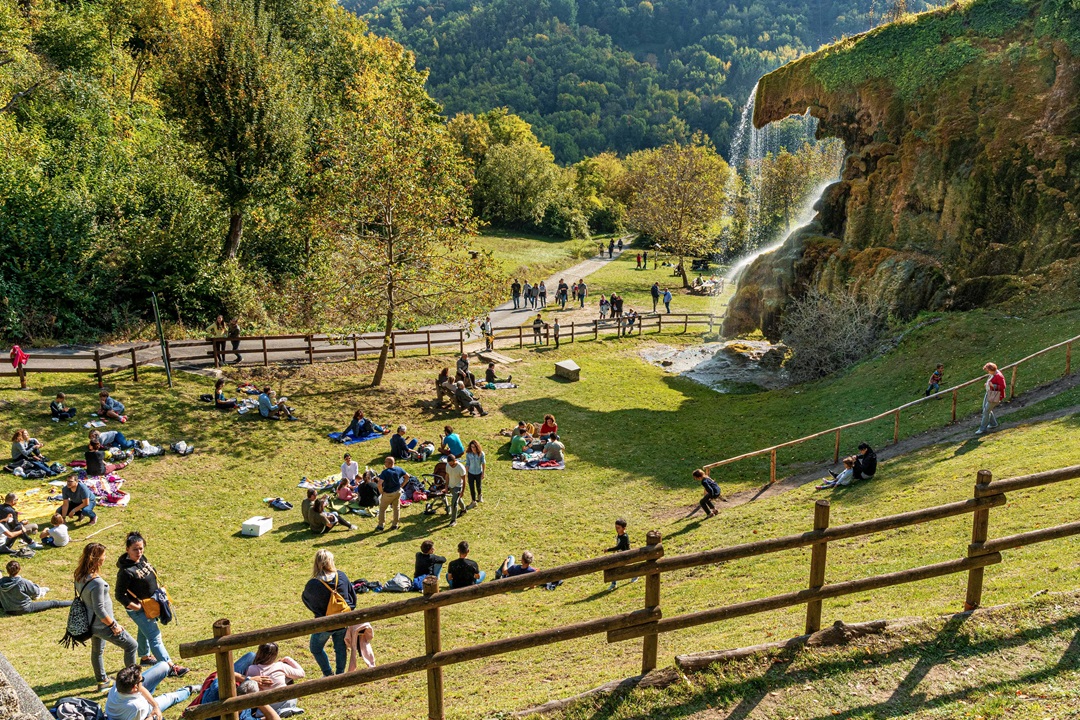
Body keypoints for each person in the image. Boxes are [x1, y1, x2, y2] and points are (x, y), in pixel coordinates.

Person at [115, 531, 188, 676]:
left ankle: (145, 656)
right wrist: (137, 607)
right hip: (140, 608)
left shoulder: (142, 560)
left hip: (152, 604)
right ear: (127, 550)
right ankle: (171, 667)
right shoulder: (125, 572)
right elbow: (119, 595)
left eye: (141, 548)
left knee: (144, 630)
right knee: (155, 636)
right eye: (135, 549)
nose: (139, 552)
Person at [74, 542, 139, 691]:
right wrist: (114, 626)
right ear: (96, 559)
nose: (105, 558)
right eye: (103, 555)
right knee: (131, 646)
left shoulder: (79, 574)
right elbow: (100, 609)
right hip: (103, 624)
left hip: (91, 624)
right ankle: (131, 682)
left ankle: (102, 681)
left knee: (97, 651)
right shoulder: (96, 583)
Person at [301, 550, 356, 676]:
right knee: (340, 648)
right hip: (342, 620)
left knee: (316, 648)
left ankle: (327, 673)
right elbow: (352, 598)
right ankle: (340, 674)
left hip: (324, 623)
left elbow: (306, 600)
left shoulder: (313, 584)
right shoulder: (341, 576)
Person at [104, 664, 200, 720]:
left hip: (123, 707)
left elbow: (140, 688)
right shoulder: (137, 707)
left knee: (163, 666)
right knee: (171, 697)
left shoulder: (118, 684)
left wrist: (155, 705)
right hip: (140, 712)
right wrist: (153, 716)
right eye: (142, 680)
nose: (143, 680)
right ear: (134, 687)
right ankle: (189, 689)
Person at [245, 643, 306, 718]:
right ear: (275, 655)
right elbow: (302, 673)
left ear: (259, 653)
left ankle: (274, 712)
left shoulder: (252, 668)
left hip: (265, 706)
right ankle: (285, 709)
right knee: (288, 677)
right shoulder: (281, 666)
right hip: (285, 701)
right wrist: (287, 659)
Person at [0, 559, 71, 614]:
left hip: (8, 609)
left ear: (7, 570)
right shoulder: (22, 582)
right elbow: (35, 592)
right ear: (19, 569)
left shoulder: (1, 582)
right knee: (54, 603)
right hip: (24, 608)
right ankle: (74, 602)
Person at [376, 457, 407, 531]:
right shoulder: (399, 469)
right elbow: (407, 477)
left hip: (388, 493)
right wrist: (402, 485)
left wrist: (381, 492)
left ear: (389, 463)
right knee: (396, 508)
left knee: (382, 509)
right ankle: (395, 525)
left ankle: (381, 526)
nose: (384, 463)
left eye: (385, 462)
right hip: (397, 492)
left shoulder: (385, 472)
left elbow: (379, 484)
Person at [604, 518, 634, 590]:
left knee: (624, 569)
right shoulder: (619, 535)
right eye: (616, 527)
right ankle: (613, 583)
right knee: (614, 568)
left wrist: (609, 550)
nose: (616, 529)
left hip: (625, 556)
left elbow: (619, 547)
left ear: (624, 528)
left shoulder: (624, 537)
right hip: (620, 555)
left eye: (618, 528)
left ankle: (635, 575)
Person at [977, 362, 1007, 435]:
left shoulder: (998, 376)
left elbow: (1003, 386)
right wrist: (988, 384)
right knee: (985, 408)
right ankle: (993, 424)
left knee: (986, 411)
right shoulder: (992, 374)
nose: (987, 372)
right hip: (989, 393)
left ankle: (982, 428)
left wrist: (993, 385)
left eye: (988, 370)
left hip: (995, 395)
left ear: (991, 369)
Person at [445, 454, 467, 527]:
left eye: (452, 464)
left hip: (458, 487)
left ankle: (453, 520)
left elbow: (464, 480)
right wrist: (446, 486)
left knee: (454, 503)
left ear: (455, 460)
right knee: (457, 498)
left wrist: (462, 491)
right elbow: (447, 476)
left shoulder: (460, 467)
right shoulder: (448, 465)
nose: (451, 465)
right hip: (451, 486)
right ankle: (464, 509)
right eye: (449, 464)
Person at [464, 440, 485, 508]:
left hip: (478, 472)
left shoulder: (481, 453)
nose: (473, 448)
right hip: (471, 473)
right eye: (472, 447)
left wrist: (483, 473)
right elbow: (467, 464)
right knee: (471, 487)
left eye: (474, 447)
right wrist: (465, 474)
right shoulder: (468, 454)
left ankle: (479, 495)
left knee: (478, 486)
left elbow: (483, 463)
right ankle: (473, 501)